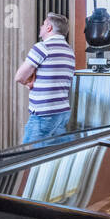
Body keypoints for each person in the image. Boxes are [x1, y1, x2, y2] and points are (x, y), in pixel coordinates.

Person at [15, 12, 75, 143]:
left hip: (43, 115)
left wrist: (28, 83)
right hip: (62, 113)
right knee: (54, 157)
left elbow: (19, 76)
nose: (40, 27)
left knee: (28, 156)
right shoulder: (69, 51)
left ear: (49, 27)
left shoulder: (42, 47)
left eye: (43, 24)